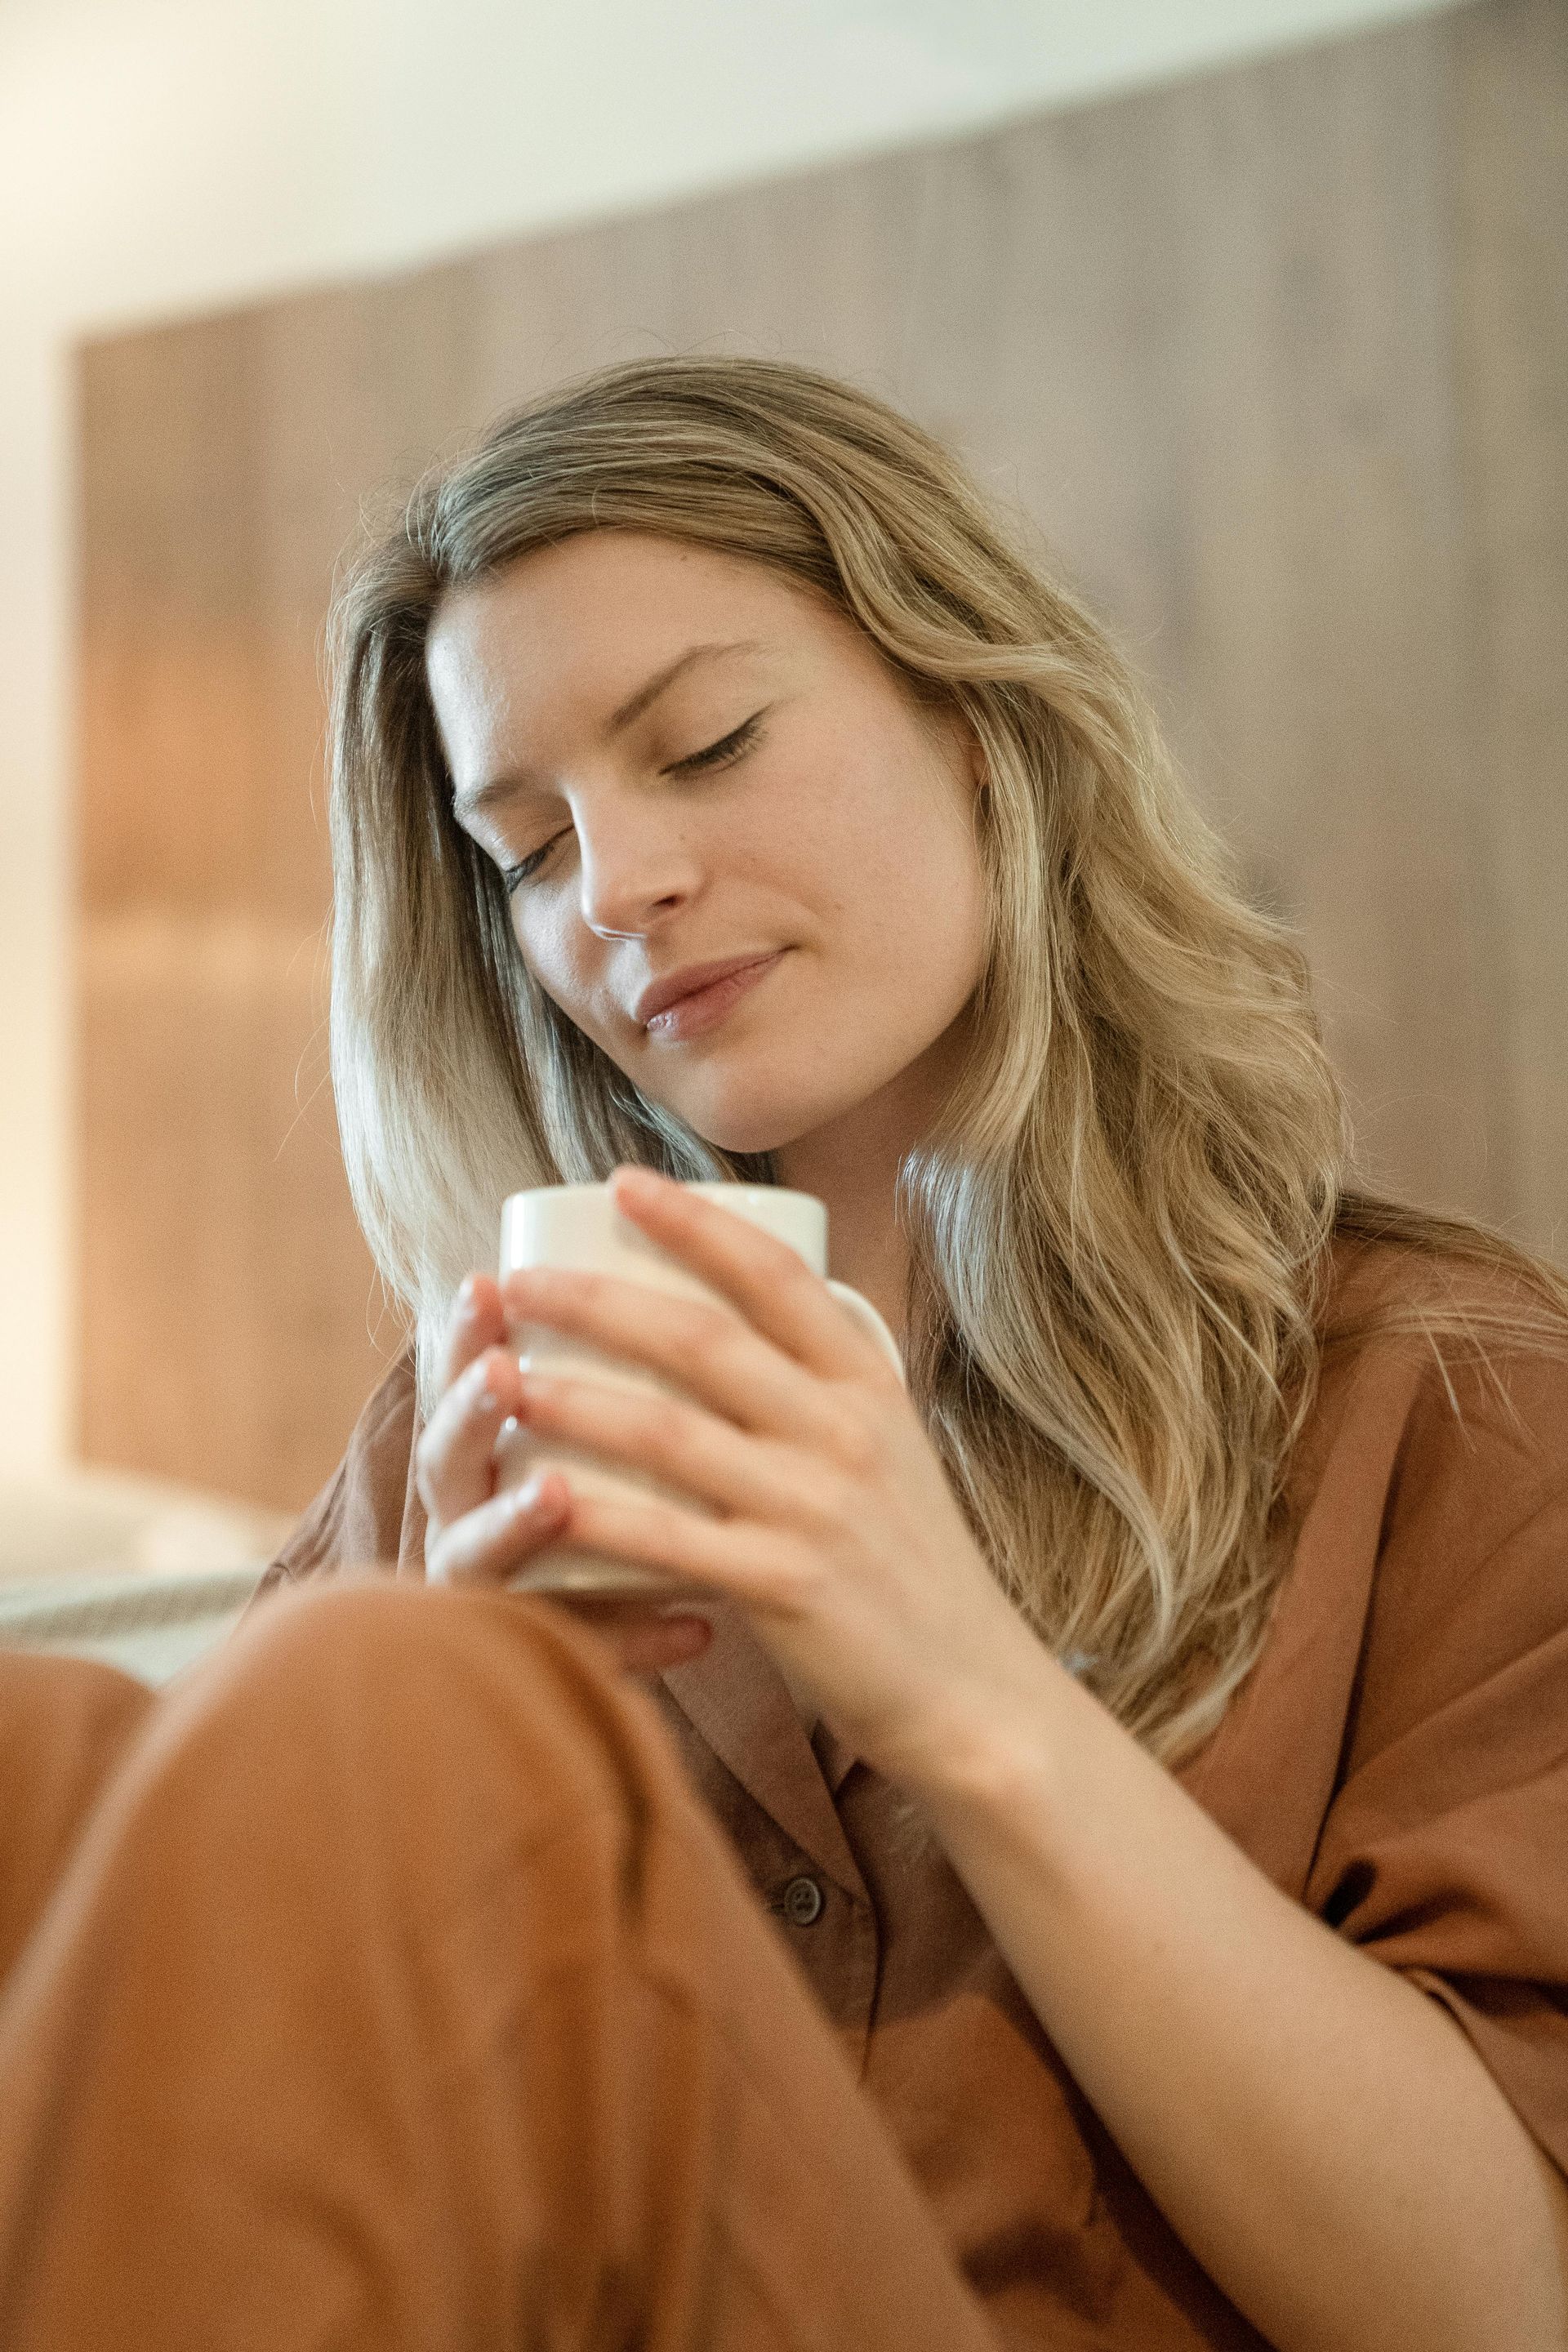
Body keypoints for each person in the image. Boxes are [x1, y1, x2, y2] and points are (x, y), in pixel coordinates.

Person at [1, 354, 1566, 2351]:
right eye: (532, 851)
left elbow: (1512, 2300)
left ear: (980, 719)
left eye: (709, 743)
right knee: (41, 1757)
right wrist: (506, 1786)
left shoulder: (1449, 1401)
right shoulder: (482, 1421)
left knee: (369, 1704)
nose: (619, 892)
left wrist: (961, 1692)